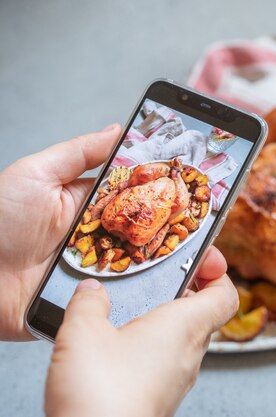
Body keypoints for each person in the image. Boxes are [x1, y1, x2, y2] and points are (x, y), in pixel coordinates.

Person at [0, 124, 238, 416]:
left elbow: (128, 188)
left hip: (119, 214)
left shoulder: (133, 192)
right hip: (141, 223)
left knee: (143, 217)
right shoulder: (172, 198)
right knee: (171, 213)